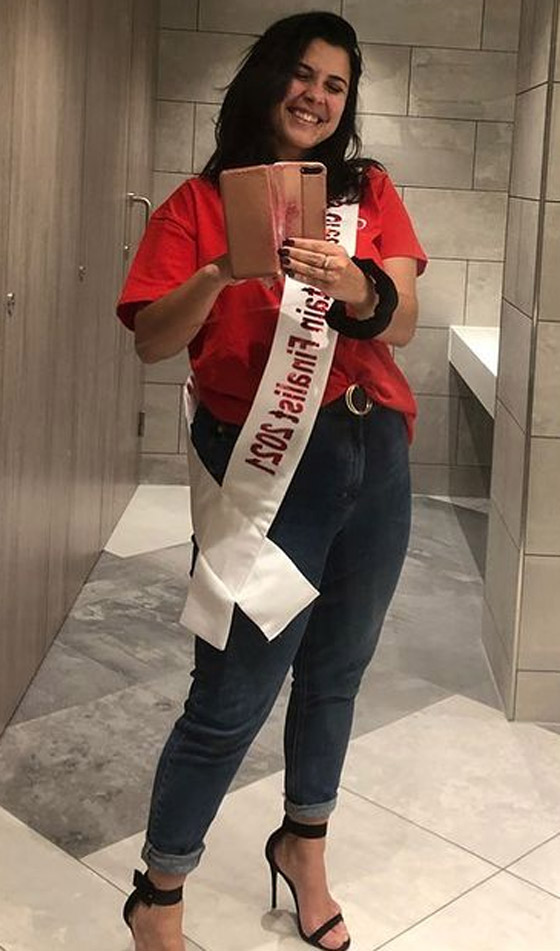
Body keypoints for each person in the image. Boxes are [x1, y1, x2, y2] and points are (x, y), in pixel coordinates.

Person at [116, 11, 427, 951]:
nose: (316, 97)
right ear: (266, 78)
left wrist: (356, 284)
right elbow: (151, 339)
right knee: (233, 692)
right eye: (302, 74)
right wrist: (220, 269)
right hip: (265, 466)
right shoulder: (196, 204)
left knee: (336, 672)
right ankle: (159, 891)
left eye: (335, 85)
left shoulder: (365, 192)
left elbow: (403, 318)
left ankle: (304, 847)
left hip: (375, 457)